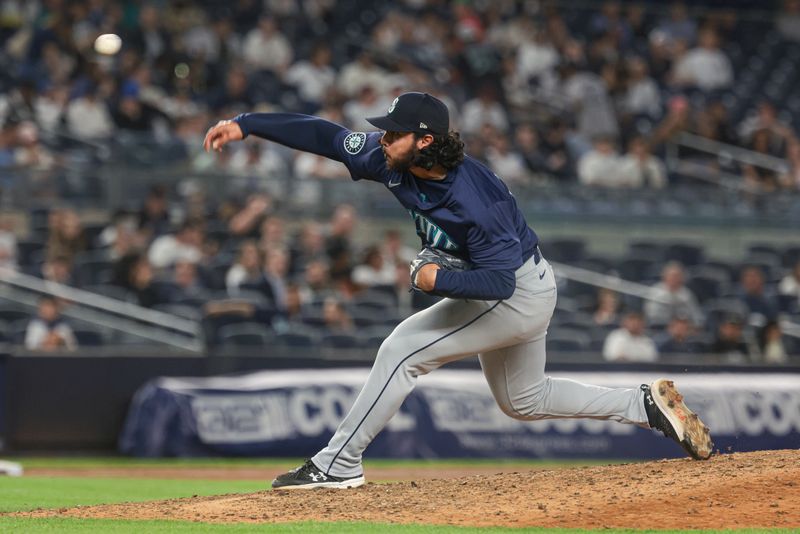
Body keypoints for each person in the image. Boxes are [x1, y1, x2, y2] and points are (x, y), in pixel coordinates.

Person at [203, 91, 714, 490]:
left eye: (394, 134)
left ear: (425, 141)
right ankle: (642, 405)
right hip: (520, 284)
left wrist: (434, 280)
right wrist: (248, 125)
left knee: (402, 350)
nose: (382, 140)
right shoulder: (390, 159)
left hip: (513, 294)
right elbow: (325, 136)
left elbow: (497, 282)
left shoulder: (476, 199)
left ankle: (337, 465)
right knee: (524, 400)